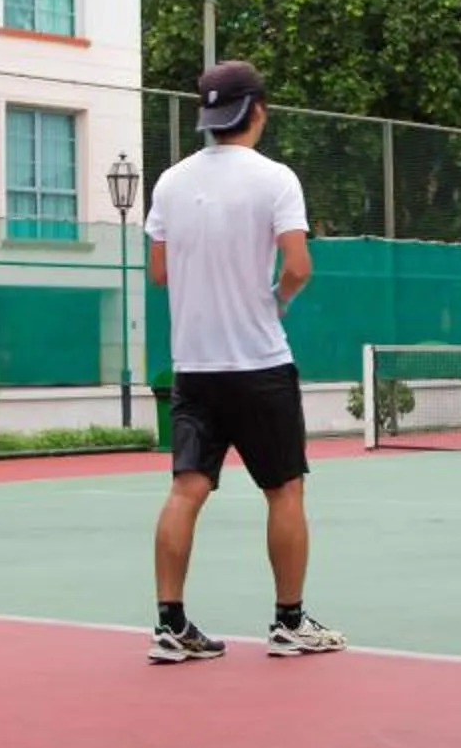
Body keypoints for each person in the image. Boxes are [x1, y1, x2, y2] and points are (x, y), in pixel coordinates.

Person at [140, 61, 347, 664]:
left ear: (209, 116)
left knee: (186, 490)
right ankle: (289, 623)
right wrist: (275, 301)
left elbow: (158, 272)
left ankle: (170, 626)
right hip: (260, 365)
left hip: (194, 369)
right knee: (284, 491)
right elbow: (299, 266)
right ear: (257, 110)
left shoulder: (170, 182)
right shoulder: (277, 179)